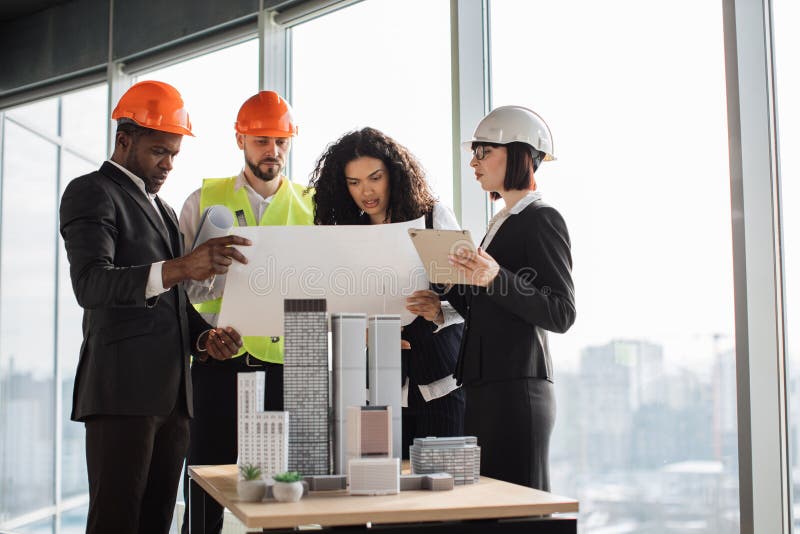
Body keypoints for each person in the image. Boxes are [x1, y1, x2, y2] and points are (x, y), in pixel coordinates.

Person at [59, 80, 248, 534]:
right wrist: (182, 266)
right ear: (124, 140)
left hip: (173, 398)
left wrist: (205, 337)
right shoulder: (91, 192)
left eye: (174, 155)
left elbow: (173, 300)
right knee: (116, 522)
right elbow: (91, 284)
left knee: (157, 522)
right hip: (121, 394)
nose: (168, 165)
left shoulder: (161, 209)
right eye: (159, 151)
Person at [179, 90, 314, 534]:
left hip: (283, 370)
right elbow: (179, 286)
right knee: (204, 493)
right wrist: (204, 339)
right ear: (240, 139)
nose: (272, 151)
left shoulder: (313, 205)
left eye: (280, 141)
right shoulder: (204, 200)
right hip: (218, 365)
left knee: (281, 500)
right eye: (261, 141)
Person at [434, 105, 576, 490]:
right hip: (486, 387)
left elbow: (561, 312)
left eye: (484, 152)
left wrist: (495, 277)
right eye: (474, 154)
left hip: (518, 391)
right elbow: (492, 307)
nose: (474, 163)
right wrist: (446, 297)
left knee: (520, 513)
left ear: (517, 154)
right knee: (494, 511)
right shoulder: (503, 222)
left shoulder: (543, 218)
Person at [308, 127, 465, 457]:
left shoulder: (433, 219)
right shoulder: (349, 237)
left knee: (442, 493)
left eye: (375, 177)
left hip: (439, 381)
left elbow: (472, 297)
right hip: (378, 383)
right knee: (380, 487)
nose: (366, 190)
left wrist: (439, 310)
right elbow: (336, 308)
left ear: (393, 174)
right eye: (354, 182)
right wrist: (361, 330)